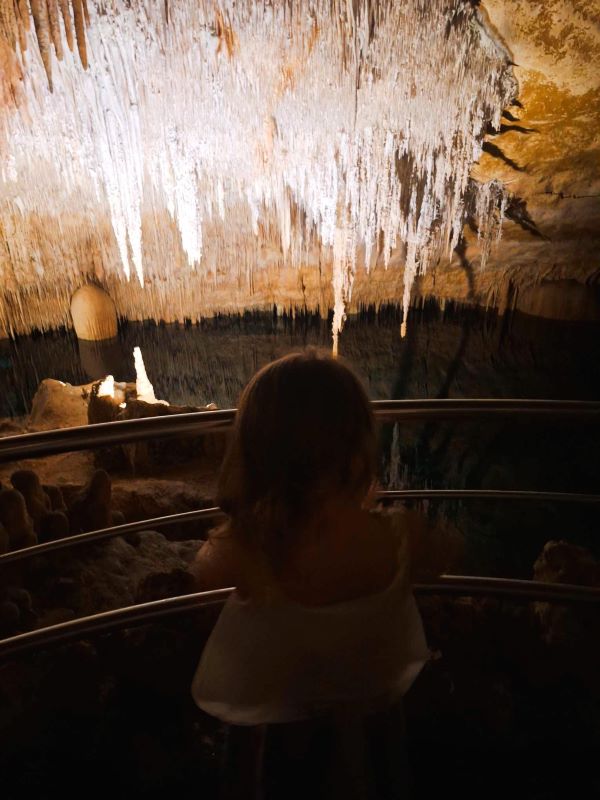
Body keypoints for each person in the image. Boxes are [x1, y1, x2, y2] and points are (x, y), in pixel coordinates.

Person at [191, 350, 430, 799]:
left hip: (273, 722)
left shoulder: (249, 548)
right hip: (367, 712)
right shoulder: (397, 536)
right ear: (358, 450)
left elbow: (203, 572)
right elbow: (446, 552)